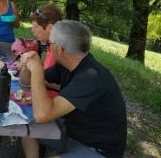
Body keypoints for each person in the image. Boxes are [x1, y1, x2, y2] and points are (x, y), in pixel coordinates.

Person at [21, 20, 127, 158]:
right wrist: (26, 63)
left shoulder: (91, 76)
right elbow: (26, 82)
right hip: (70, 133)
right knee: (27, 130)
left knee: (35, 122)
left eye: (49, 44)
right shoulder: (66, 64)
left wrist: (36, 69)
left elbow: (42, 115)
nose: (48, 47)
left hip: (97, 150)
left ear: (59, 49)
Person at [29, 3, 62, 69]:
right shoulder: (51, 45)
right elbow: (47, 70)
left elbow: (48, 78)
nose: (32, 30)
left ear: (50, 28)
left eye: (36, 26)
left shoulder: (58, 50)